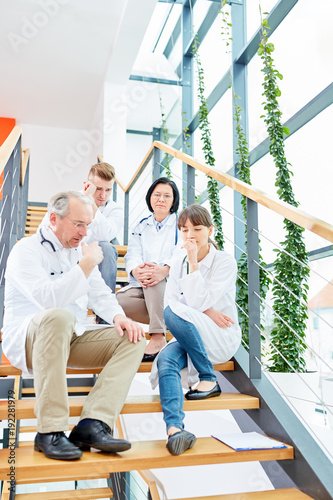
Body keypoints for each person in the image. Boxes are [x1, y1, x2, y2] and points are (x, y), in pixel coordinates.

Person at [2, 191, 146, 461]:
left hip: (70, 336)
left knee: (133, 338)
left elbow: (100, 293)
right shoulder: (26, 251)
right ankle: (50, 431)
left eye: (88, 225)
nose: (85, 232)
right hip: (29, 338)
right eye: (79, 224)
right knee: (59, 316)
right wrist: (89, 262)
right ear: (54, 218)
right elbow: (49, 300)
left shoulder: (76, 251)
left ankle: (93, 424)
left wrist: (119, 317)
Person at [151, 205, 241, 456]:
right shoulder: (178, 262)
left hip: (219, 335)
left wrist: (192, 262)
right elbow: (172, 302)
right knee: (166, 360)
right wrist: (207, 310)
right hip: (190, 331)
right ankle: (175, 430)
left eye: (197, 229)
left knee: (172, 313)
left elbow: (191, 304)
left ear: (210, 230)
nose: (190, 234)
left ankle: (208, 378)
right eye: (184, 229)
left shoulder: (224, 261)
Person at [116, 177, 180, 361]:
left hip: (169, 281)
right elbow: (132, 254)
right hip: (143, 282)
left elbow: (181, 252)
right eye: (157, 195)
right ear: (150, 198)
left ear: (173, 200)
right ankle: (166, 318)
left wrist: (165, 269)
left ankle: (158, 336)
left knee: (154, 276)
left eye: (167, 196)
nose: (161, 199)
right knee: (119, 300)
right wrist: (136, 270)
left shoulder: (181, 224)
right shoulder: (140, 225)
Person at [40, 162, 122, 296]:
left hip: (95, 256)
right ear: (87, 185)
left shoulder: (115, 209)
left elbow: (105, 235)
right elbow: (45, 228)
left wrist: (90, 202)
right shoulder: (68, 200)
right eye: (99, 189)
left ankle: (104, 315)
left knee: (107, 247)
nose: (103, 195)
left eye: (108, 190)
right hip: (68, 251)